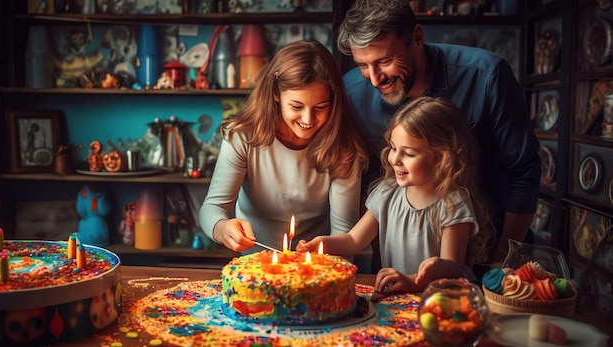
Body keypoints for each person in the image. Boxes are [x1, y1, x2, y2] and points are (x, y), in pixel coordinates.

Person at [337, 0, 541, 268]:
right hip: (394, 265)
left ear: (418, 37)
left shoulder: (487, 77)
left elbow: (524, 171)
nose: (374, 79)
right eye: (363, 65)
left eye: (385, 61)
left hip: (489, 255)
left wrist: (503, 261)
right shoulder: (351, 93)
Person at [298, 97, 494, 293]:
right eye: (393, 148)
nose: (395, 159)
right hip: (399, 296)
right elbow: (353, 240)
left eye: (408, 153)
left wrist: (416, 280)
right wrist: (320, 244)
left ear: (442, 158)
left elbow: (452, 267)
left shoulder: (453, 203)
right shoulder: (387, 193)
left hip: (443, 298)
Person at [199, 39, 369, 253]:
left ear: (333, 101)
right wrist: (222, 228)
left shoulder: (343, 147)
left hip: (317, 268)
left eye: (321, 106)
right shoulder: (242, 137)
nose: (308, 119)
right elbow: (213, 208)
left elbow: (344, 234)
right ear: (276, 94)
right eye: (297, 106)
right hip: (254, 266)